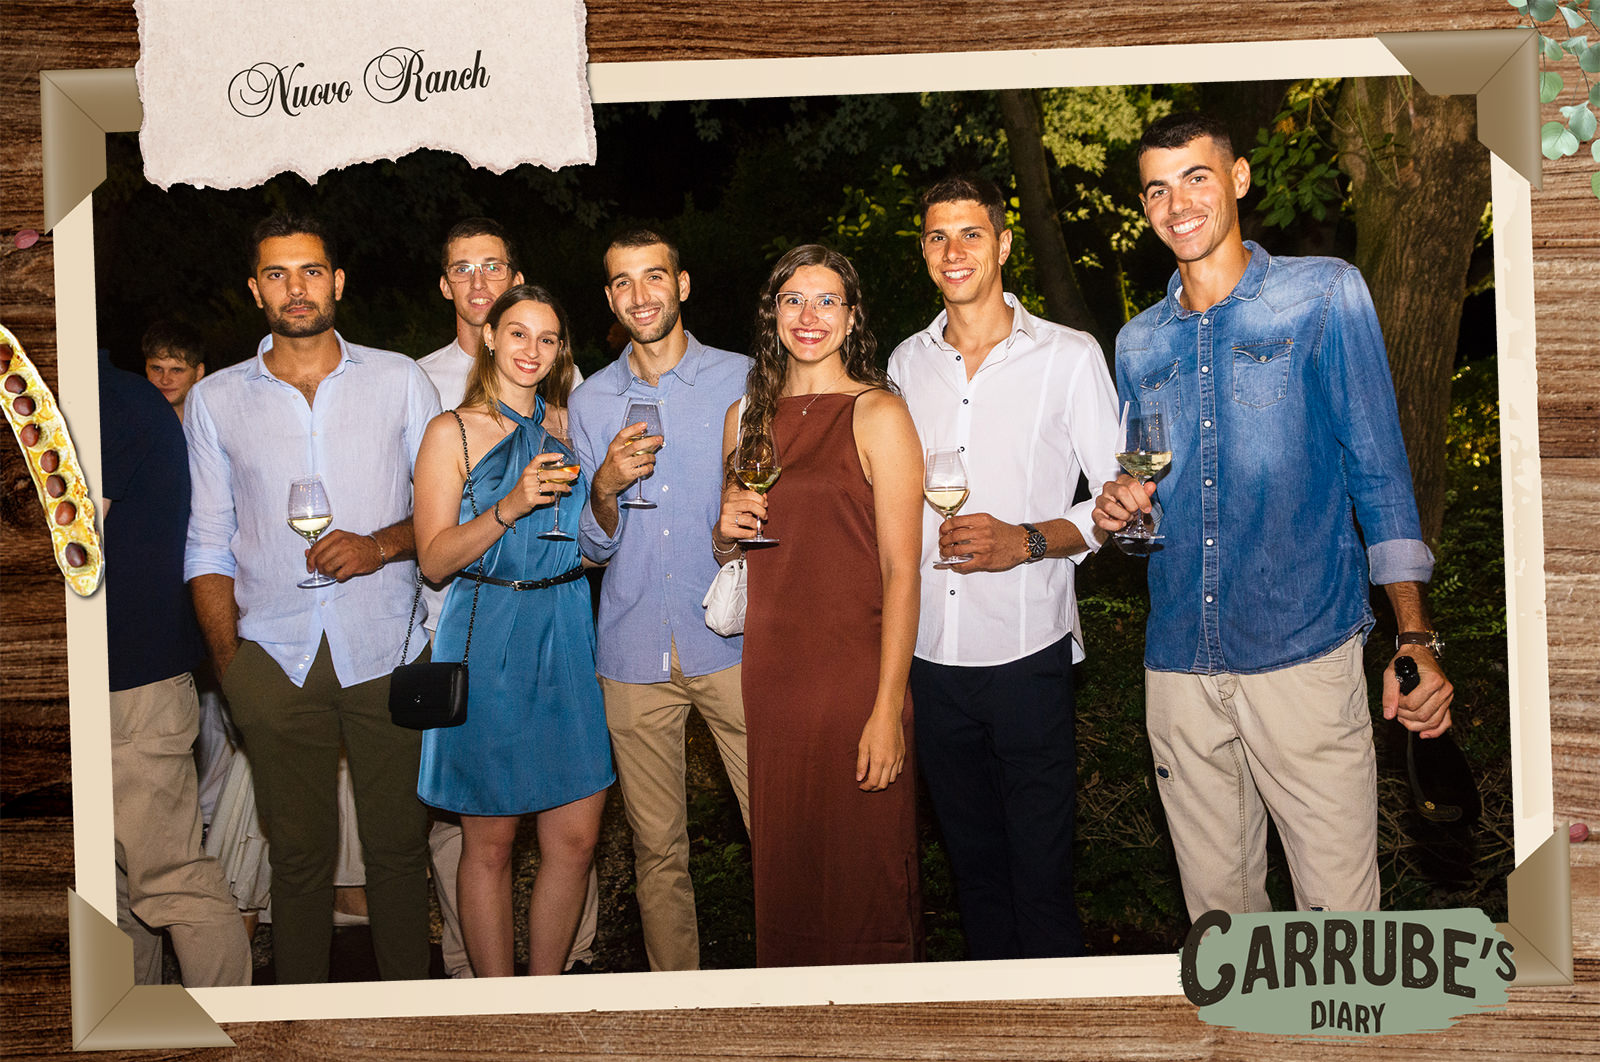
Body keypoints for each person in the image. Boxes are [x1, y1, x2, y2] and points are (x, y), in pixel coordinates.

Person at [1091, 111, 1454, 919]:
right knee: (1221, 930)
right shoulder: (1138, 343)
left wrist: (1415, 638)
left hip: (1303, 656)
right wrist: (1124, 513)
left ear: (1239, 178)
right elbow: (1151, 504)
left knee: (1339, 923)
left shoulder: (1322, 294)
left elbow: (1379, 472)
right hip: (1178, 665)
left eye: (1196, 177)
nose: (1177, 203)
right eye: (1157, 189)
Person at [184, 212, 439, 983]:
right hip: (273, 655)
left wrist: (378, 546)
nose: (296, 289)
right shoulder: (216, 400)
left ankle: (411, 1024)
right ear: (255, 289)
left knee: (398, 853)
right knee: (296, 860)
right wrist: (231, 668)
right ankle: (297, 1022)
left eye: (311, 271)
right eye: (277, 274)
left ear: (338, 282)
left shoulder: (399, 380)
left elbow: (446, 509)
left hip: (388, 647)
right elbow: (207, 540)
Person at [886, 175, 1122, 960]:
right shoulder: (905, 363)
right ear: (924, 252)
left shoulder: (1068, 356)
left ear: (1004, 244)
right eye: (937, 236)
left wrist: (1026, 540)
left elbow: (1120, 500)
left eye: (971, 234)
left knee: (1043, 882)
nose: (953, 251)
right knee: (974, 878)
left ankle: (1060, 1016)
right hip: (928, 658)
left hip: (1027, 654)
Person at [716, 244, 925, 967]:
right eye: (793, 300)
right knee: (788, 872)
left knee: (865, 868)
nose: (809, 316)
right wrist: (724, 531)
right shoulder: (745, 417)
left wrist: (888, 707)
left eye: (827, 300)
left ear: (852, 316)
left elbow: (902, 572)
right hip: (772, 675)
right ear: (772, 314)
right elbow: (737, 551)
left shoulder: (878, 412)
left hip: (853, 677)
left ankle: (880, 1019)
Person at [413, 284, 614, 976]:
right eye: (519, 333)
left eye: (548, 338)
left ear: (561, 351)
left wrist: (607, 492)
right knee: (491, 844)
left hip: (567, 627)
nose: (532, 349)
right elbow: (434, 559)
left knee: (576, 840)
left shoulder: (569, 429)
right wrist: (511, 503)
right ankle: (498, 1008)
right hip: (489, 634)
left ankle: (543, 999)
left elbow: (588, 550)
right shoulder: (452, 431)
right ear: (491, 337)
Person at [567, 229, 751, 972]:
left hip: (732, 642)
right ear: (609, 297)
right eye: (622, 282)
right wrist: (604, 488)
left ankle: (799, 991)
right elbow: (589, 547)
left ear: (682, 285)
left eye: (653, 277)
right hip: (632, 649)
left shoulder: (743, 376)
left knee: (776, 828)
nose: (639, 295)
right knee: (657, 849)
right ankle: (679, 1001)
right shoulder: (590, 400)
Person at [101, 348, 251, 987]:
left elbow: (64, 545)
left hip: (131, 679)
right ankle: (135, 1026)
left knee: (169, 879)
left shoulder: (104, 402)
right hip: (119, 675)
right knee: (113, 886)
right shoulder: (113, 397)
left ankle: (235, 1027)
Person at [142, 320, 206, 422]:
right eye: (157, 369)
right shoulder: (128, 420)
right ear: (146, 368)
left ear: (199, 372)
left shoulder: (216, 421)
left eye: (176, 370)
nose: (165, 380)